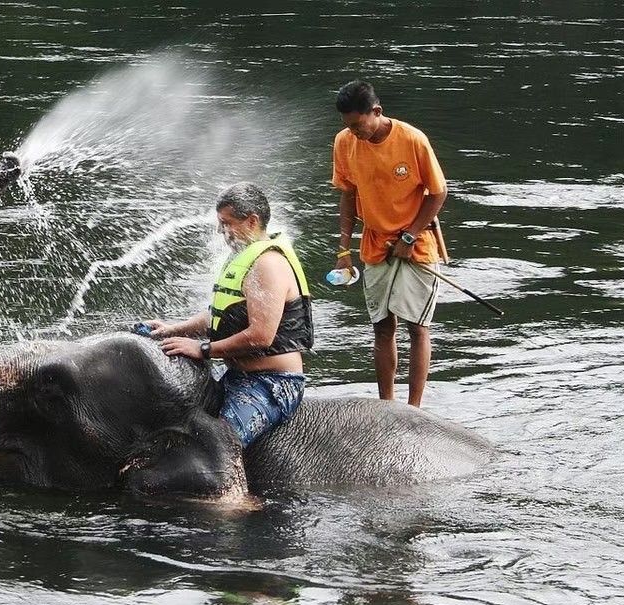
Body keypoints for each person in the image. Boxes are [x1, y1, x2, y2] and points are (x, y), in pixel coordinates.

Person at [144, 182, 313, 449]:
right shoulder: (243, 257)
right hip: (237, 378)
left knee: (220, 446)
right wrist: (173, 330)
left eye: (227, 223)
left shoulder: (267, 264)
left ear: (252, 221)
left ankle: (236, 494)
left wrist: (203, 349)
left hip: (272, 384)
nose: (221, 231)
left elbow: (260, 337)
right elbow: (219, 315)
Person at [331, 80, 447, 407]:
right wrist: (344, 250)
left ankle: (414, 408)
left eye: (358, 124)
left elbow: (438, 193)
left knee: (417, 327)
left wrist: (410, 236)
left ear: (376, 112)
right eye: (348, 126)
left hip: (416, 243)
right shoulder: (345, 142)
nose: (353, 132)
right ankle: (387, 405)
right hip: (376, 244)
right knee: (382, 327)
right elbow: (348, 194)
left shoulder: (412, 140)